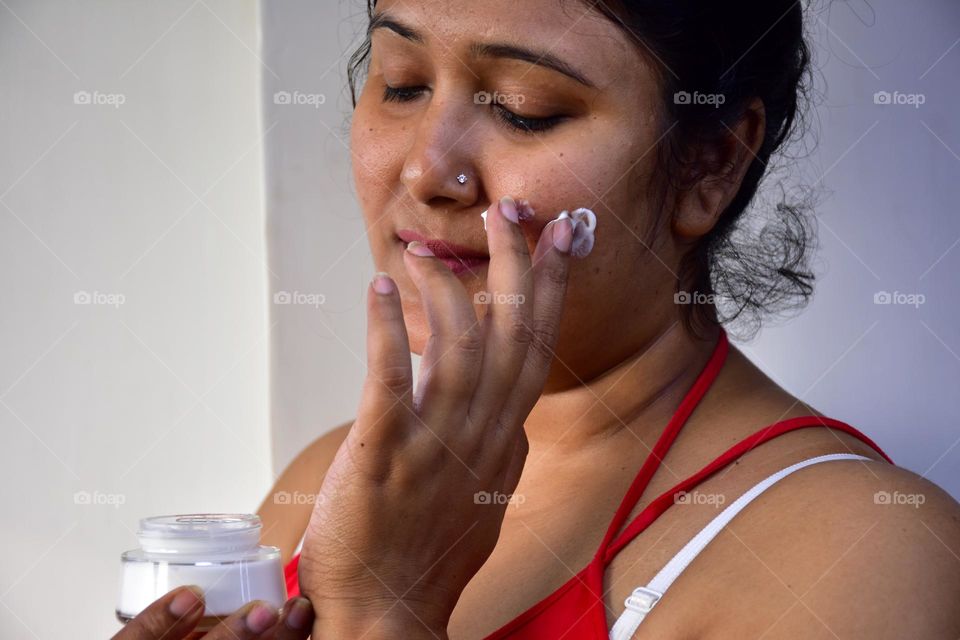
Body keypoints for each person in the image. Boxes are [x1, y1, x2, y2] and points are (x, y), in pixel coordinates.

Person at [115, 1, 960, 638]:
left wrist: (387, 606)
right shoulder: (337, 475)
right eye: (401, 83)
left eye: (523, 107)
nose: (425, 170)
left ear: (710, 162)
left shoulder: (870, 549)